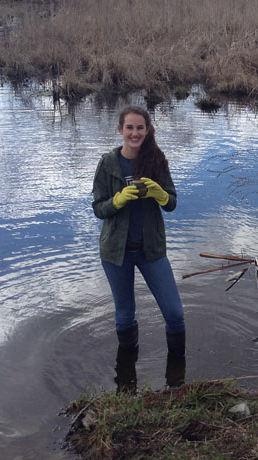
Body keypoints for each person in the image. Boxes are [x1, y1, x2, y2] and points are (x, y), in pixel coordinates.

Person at [92, 105, 185, 372]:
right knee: (124, 315)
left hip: (151, 251)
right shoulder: (108, 163)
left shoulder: (156, 158)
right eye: (129, 127)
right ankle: (126, 376)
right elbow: (99, 208)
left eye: (140, 128)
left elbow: (172, 204)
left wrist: (160, 194)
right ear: (120, 129)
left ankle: (178, 375)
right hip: (115, 253)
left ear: (147, 130)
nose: (135, 133)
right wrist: (117, 201)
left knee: (175, 315)